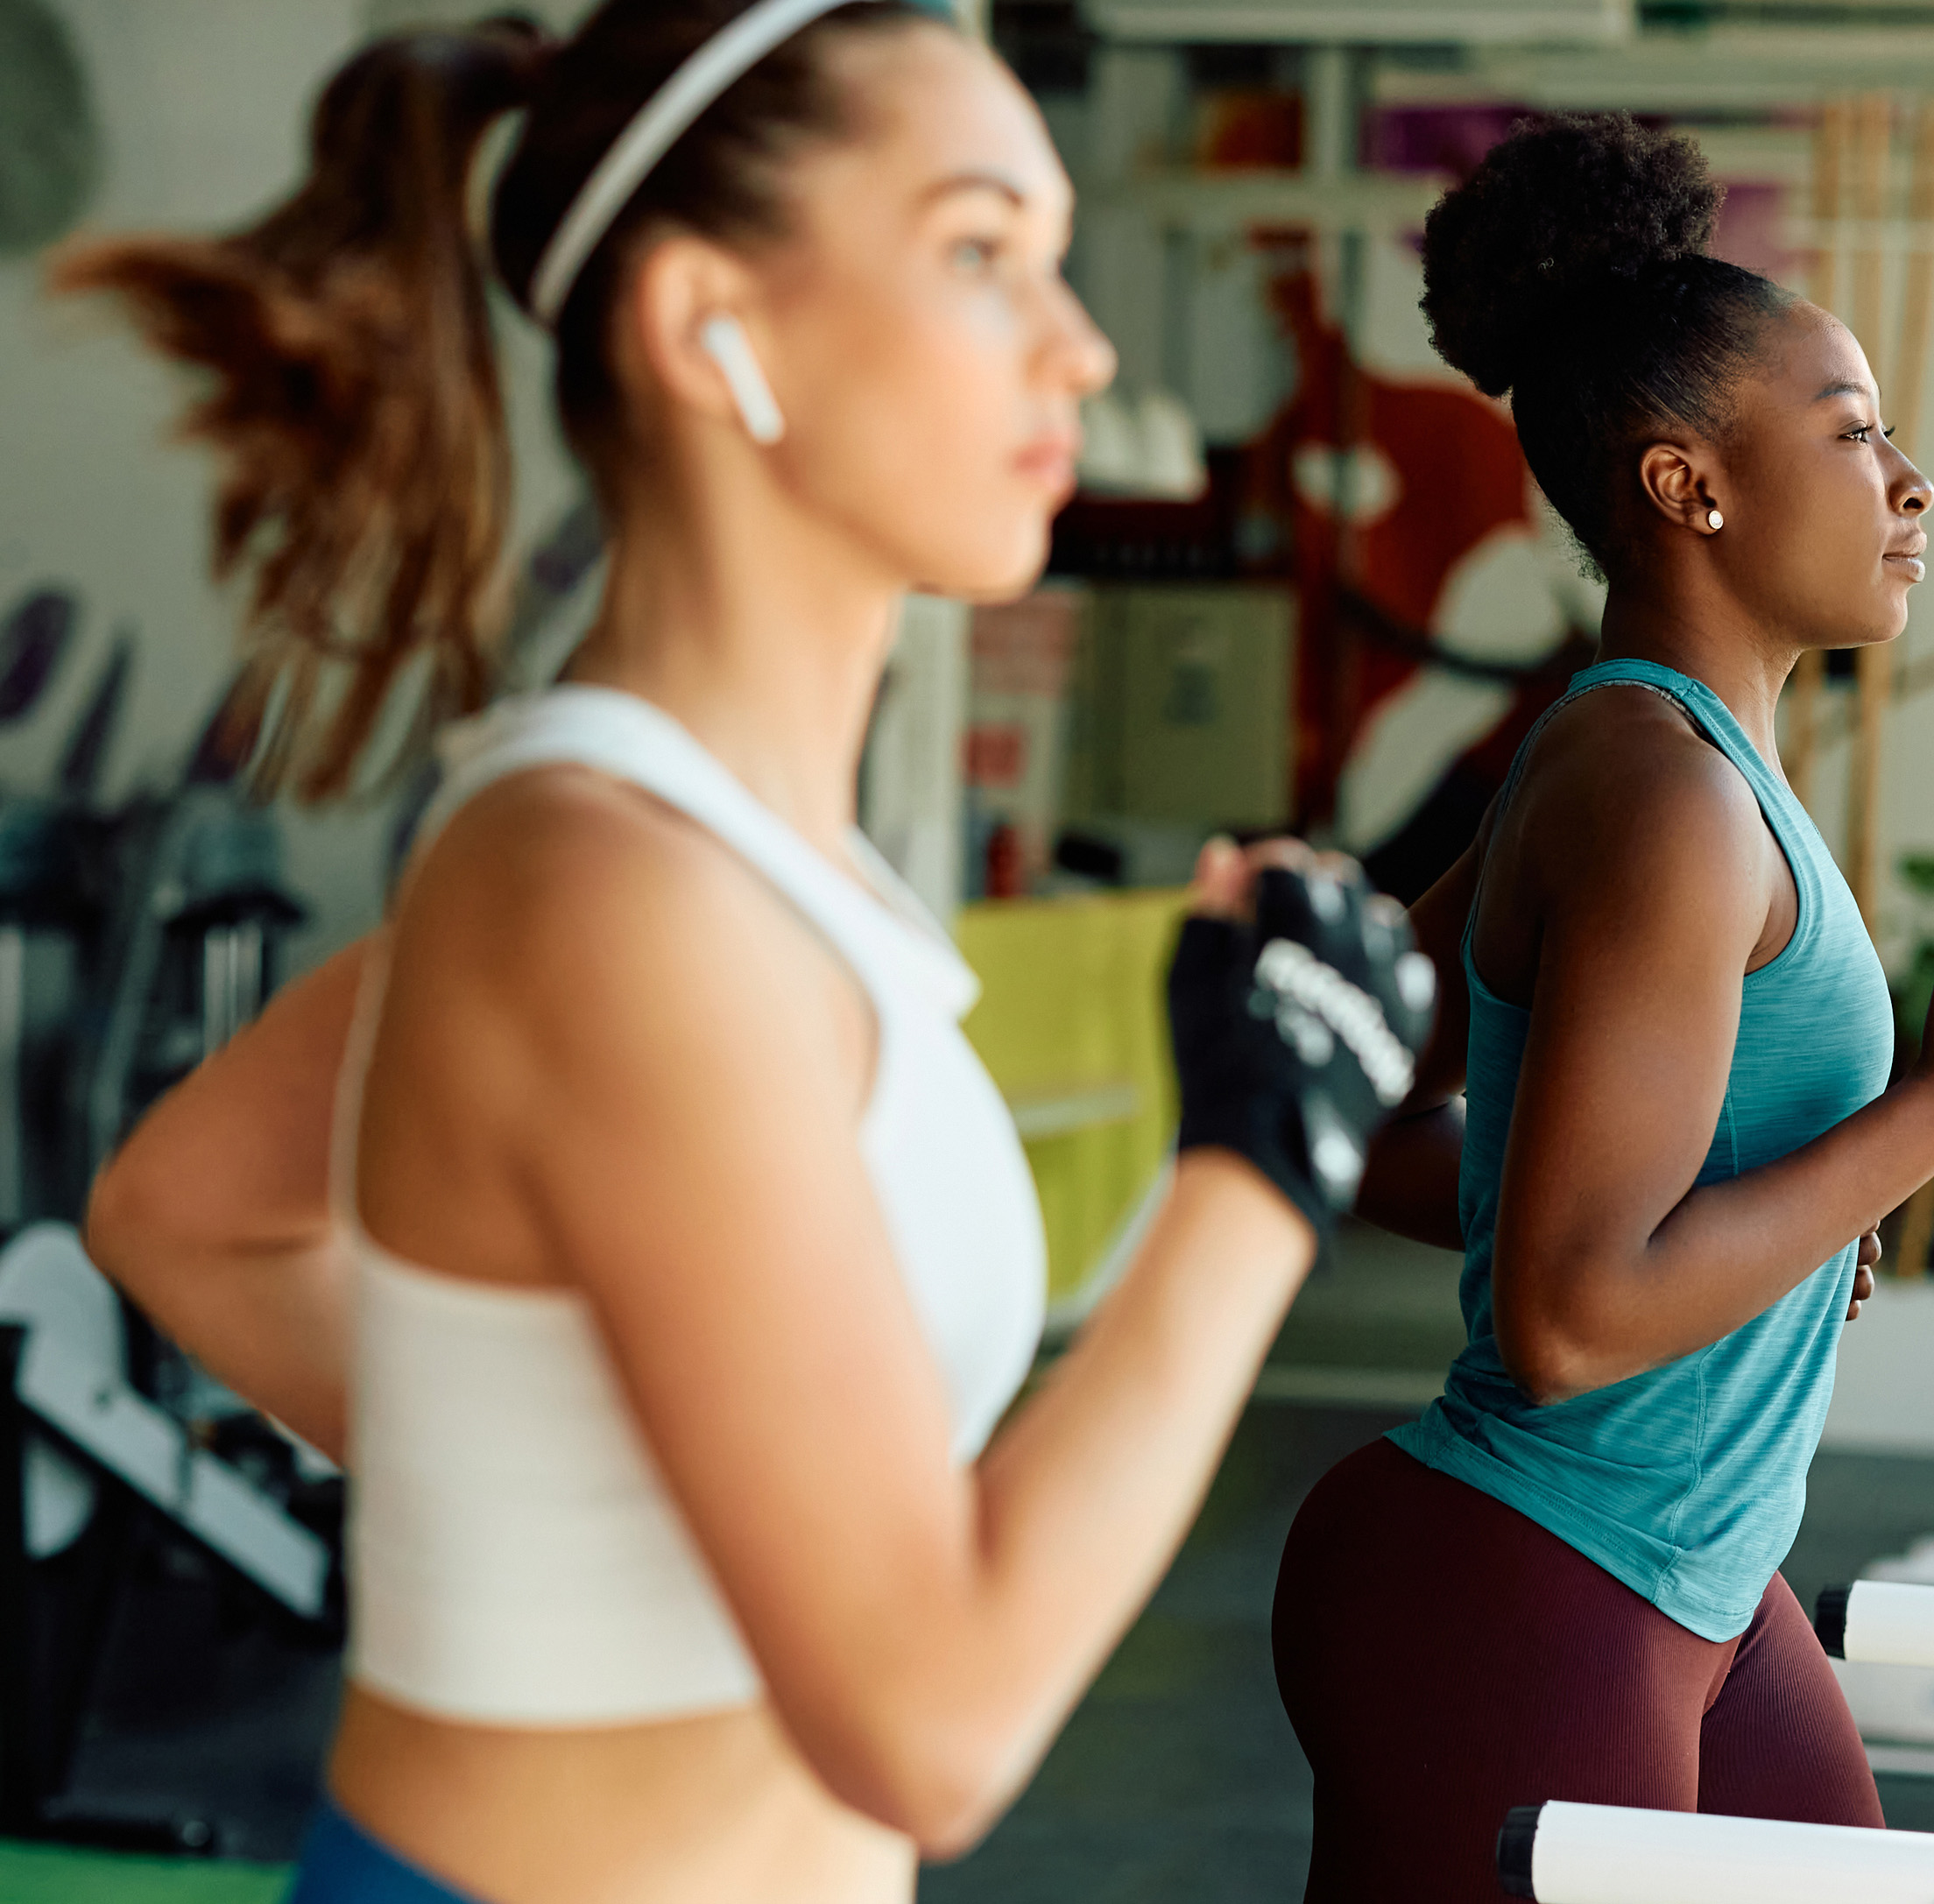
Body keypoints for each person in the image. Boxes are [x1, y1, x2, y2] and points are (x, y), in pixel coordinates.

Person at [61, 7, 1428, 1900]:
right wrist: (1264, 1165)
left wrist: (633, 1495)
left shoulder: (731, 869)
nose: (1081, 343)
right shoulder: (617, 895)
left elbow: (180, 1208)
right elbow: (933, 1729)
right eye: (978, 253)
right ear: (712, 323)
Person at [1269, 115, 1934, 1902]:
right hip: (1534, 1575)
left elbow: (1333, 1094)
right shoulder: (1661, 793)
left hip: (1695, 1578)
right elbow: (1571, 1321)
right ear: (1685, 485)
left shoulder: (1649, 756)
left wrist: (1779, 1229)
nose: (1910, 479)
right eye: (1855, 429)